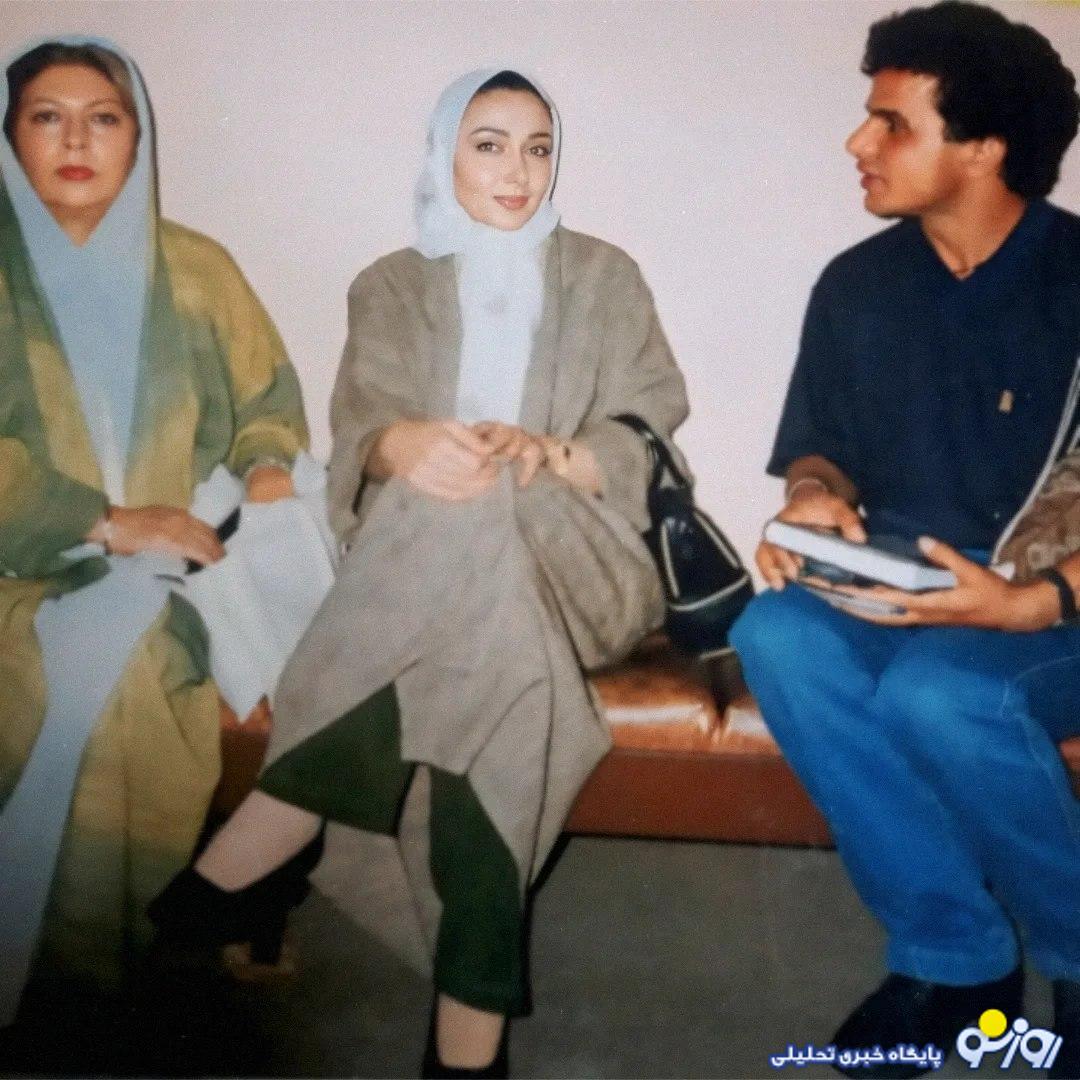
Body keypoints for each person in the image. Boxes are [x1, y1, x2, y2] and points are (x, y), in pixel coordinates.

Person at [149, 67, 689, 1079]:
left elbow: (649, 428)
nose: (518, 170)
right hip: (441, 590)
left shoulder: (604, 276)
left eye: (537, 147)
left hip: (581, 565)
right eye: (489, 144)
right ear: (444, 155)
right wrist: (408, 445)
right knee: (486, 641)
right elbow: (366, 427)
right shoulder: (391, 284)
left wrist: (546, 454)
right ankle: (466, 1046)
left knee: (478, 498)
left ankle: (280, 819)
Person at [730, 3, 1080, 1077]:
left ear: (984, 149)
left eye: (892, 122)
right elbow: (823, 448)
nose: (857, 141)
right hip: (899, 591)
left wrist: (1032, 603)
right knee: (775, 634)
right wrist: (812, 497)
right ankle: (955, 954)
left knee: (944, 693)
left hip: (1053, 604)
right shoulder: (858, 284)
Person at [0, 36, 309, 1026]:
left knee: (170, 649)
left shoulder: (197, 269)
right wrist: (105, 521)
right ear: (9, 136)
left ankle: (125, 948)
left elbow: (268, 405)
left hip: (189, 562)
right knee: (100, 666)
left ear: (138, 139)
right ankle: (77, 975)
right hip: (25, 564)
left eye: (104, 118)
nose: (76, 142)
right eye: (47, 117)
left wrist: (267, 468)